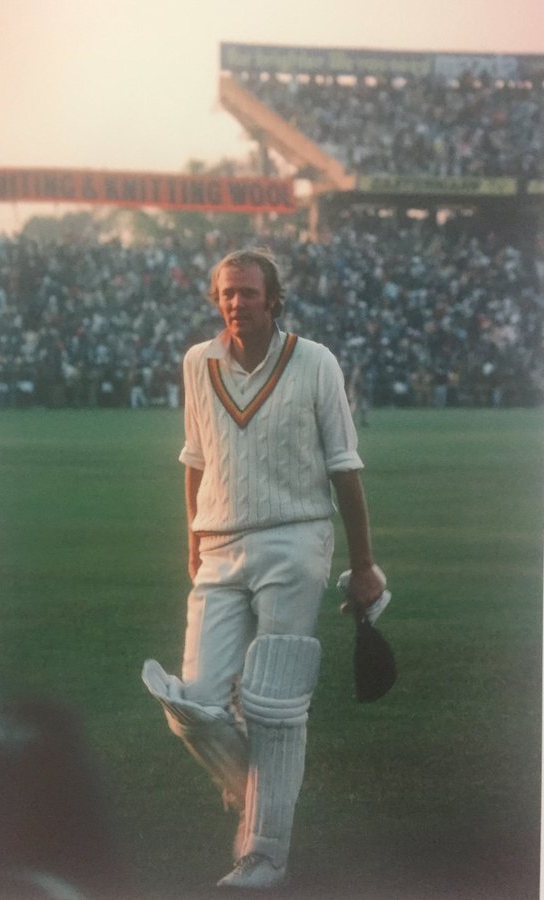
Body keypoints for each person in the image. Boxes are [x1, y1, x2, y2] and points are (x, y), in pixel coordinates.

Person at [142, 248, 387, 891]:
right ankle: (251, 789)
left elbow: (345, 468)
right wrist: (192, 538)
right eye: (226, 292)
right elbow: (194, 458)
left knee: (275, 705)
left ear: (274, 300)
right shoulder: (199, 363)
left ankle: (265, 854)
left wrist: (363, 567)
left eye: (248, 292)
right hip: (218, 546)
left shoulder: (314, 362)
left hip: (296, 538)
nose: (235, 302)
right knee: (190, 703)